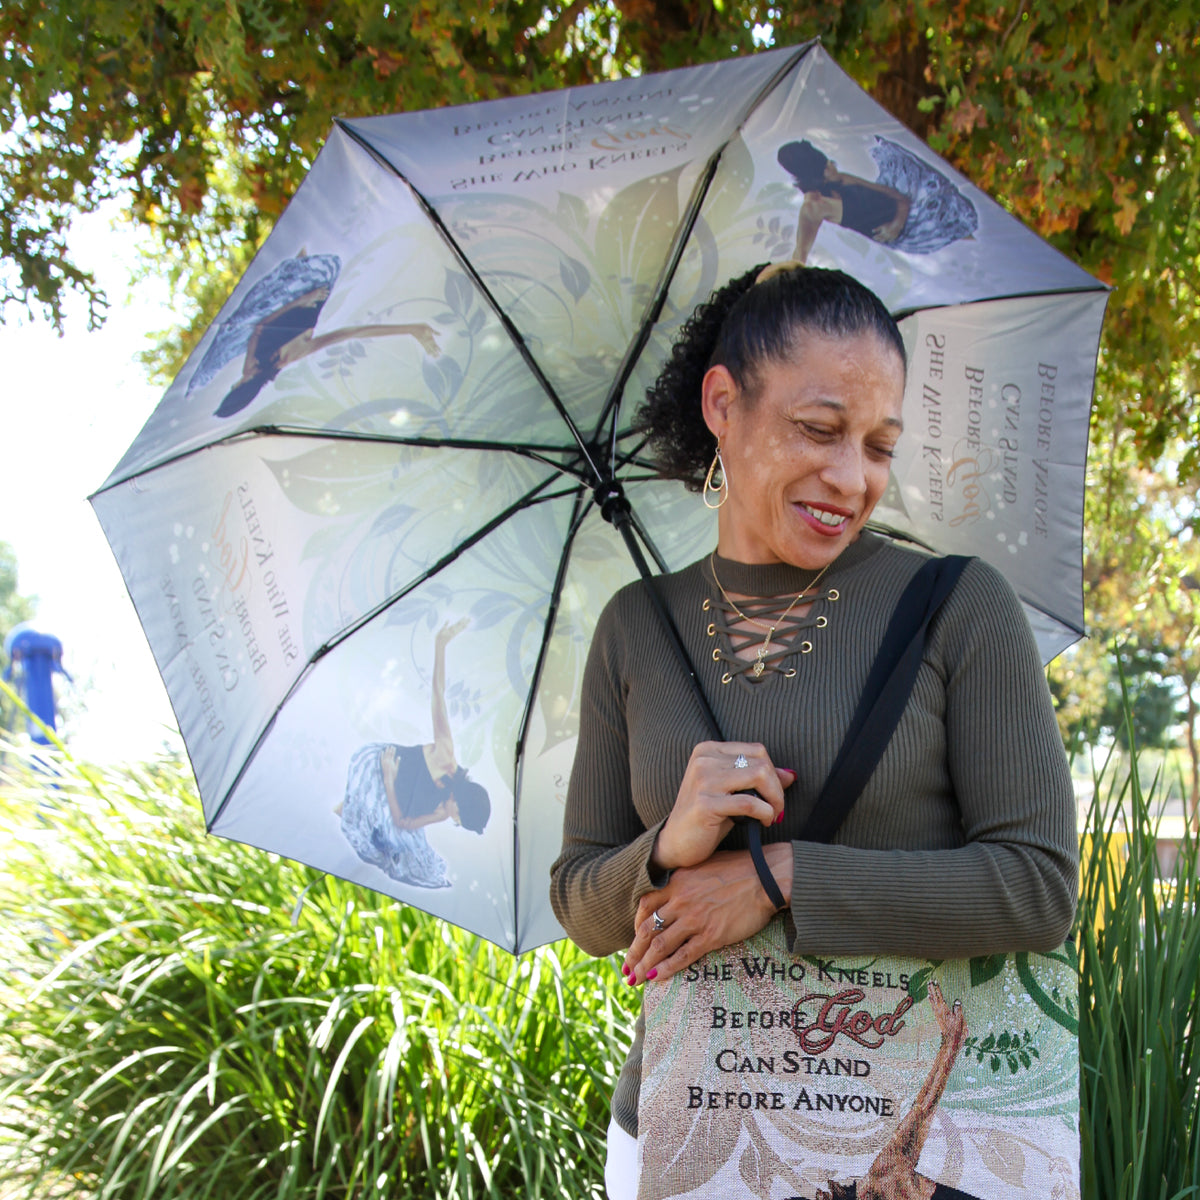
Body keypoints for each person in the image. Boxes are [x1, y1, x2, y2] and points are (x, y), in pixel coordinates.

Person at [548, 263, 1077, 1198]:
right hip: (683, 1129)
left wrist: (779, 877)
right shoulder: (638, 626)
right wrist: (669, 844)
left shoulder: (957, 607)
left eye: (879, 444)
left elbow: (1037, 888)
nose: (852, 477)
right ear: (724, 402)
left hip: (907, 1145)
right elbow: (584, 906)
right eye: (820, 430)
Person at [338, 618, 490, 888]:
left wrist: (389, 778)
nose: (452, 818)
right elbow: (438, 695)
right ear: (462, 802)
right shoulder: (445, 754)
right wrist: (440, 645)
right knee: (349, 811)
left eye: (456, 821)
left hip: (388, 788)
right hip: (377, 769)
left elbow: (403, 822)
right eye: (459, 815)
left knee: (374, 837)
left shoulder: (442, 811)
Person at [778, 137, 978, 262]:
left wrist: (898, 222)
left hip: (905, 215)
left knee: (951, 214)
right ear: (812, 175)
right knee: (955, 231)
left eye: (828, 162)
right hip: (906, 235)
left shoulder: (839, 179)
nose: (832, 166)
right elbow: (800, 255)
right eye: (825, 167)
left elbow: (899, 198)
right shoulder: (813, 208)